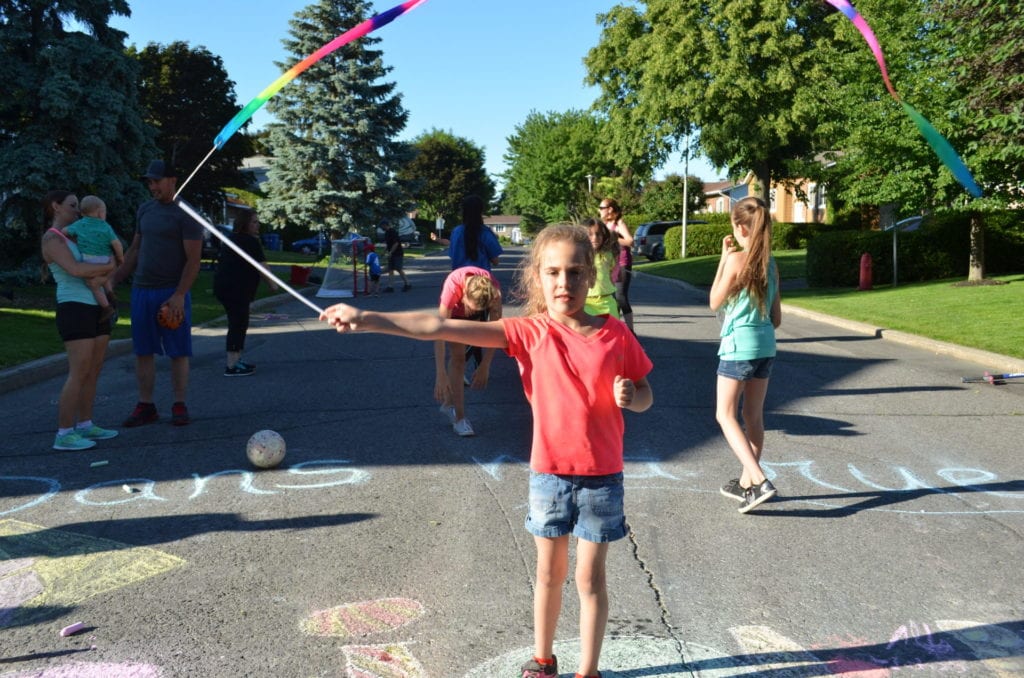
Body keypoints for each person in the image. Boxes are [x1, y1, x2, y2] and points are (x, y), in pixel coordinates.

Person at [320, 223, 653, 678]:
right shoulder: (528, 333)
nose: (564, 283)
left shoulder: (615, 335)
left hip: (602, 477)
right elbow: (437, 324)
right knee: (549, 574)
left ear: (591, 276)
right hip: (549, 476)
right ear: (537, 277)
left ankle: (589, 671)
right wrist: (368, 319)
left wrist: (634, 397)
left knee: (590, 579)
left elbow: (645, 390)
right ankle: (543, 660)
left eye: (575, 272)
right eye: (553, 272)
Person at [114, 159, 204, 427]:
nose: (152, 186)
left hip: (171, 292)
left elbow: (194, 261)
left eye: (156, 181)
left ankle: (179, 404)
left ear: (172, 180)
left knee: (178, 352)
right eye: (149, 181)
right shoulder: (145, 210)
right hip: (142, 290)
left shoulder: (187, 215)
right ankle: (146, 406)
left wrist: (179, 294)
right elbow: (134, 250)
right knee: (143, 351)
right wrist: (113, 281)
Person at [709, 196, 782, 514]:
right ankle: (745, 484)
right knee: (753, 417)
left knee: (724, 414)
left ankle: (760, 480)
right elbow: (776, 317)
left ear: (739, 227)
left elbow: (714, 301)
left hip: (738, 347)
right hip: (766, 345)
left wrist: (724, 260)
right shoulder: (771, 264)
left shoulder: (737, 261)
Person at [41, 190, 119, 451]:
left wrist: (107, 267)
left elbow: (104, 259)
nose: (77, 210)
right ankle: (64, 433)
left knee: (93, 370)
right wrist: (108, 266)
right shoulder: (52, 238)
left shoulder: (78, 234)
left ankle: (85, 423)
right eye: (72, 205)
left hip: (96, 307)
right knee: (79, 370)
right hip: (74, 307)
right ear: (56, 207)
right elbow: (76, 270)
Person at [434, 266, 503, 437]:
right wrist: (440, 374)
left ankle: (449, 404)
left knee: (466, 355)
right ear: (464, 295)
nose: (471, 311)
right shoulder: (452, 287)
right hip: (455, 315)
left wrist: (485, 365)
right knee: (458, 359)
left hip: (477, 313)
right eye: (470, 307)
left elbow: (498, 332)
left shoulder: (494, 291)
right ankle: (460, 418)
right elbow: (438, 332)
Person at [213, 211, 278, 377]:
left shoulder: (233, 239)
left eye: (258, 222)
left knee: (240, 322)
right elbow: (262, 266)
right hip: (235, 289)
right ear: (245, 224)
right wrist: (272, 284)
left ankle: (237, 360)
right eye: (254, 222)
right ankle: (232, 365)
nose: (258, 225)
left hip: (226, 287)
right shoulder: (250, 241)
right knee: (238, 323)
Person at [64, 195, 124, 323]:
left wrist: (71, 236)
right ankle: (110, 294)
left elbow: (64, 231)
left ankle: (106, 308)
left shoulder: (80, 224)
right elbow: (117, 244)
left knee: (93, 286)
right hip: (106, 258)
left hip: (89, 260)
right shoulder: (105, 226)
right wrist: (120, 257)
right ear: (100, 212)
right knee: (103, 278)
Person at [599, 198, 635, 332]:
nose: (599, 210)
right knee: (612, 296)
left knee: (621, 296)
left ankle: (631, 331)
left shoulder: (618, 223)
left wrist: (612, 237)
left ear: (610, 209)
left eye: (602, 208)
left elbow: (630, 241)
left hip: (622, 262)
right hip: (608, 264)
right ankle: (617, 328)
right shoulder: (603, 225)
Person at [447, 194, 503, 271]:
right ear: (481, 211)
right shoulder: (485, 232)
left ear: (463, 212)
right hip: (481, 280)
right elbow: (495, 261)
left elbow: (453, 256)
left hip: (459, 278)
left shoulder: (456, 232)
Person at [584, 218, 619, 319]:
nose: (595, 238)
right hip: (586, 303)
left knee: (613, 332)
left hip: (607, 301)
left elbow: (613, 273)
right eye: (590, 234)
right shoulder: (578, 256)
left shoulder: (608, 255)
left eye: (598, 234)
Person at [382, 219, 411, 292]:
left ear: (386, 225)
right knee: (390, 269)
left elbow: (396, 243)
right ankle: (390, 286)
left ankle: (407, 284)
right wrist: (383, 252)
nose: (382, 227)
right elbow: (388, 244)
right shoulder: (386, 233)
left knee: (398, 268)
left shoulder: (393, 232)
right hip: (391, 254)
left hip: (398, 253)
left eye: (383, 226)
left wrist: (390, 252)